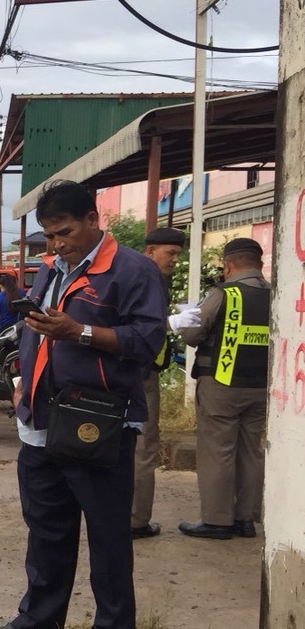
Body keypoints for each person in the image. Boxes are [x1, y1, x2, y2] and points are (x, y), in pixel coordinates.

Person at [0, 181, 165, 629]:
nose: (57, 244)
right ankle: (39, 621)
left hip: (96, 423)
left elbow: (147, 341)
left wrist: (78, 331)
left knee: (106, 535)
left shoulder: (131, 271)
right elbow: (38, 332)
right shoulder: (49, 271)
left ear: (93, 219)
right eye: (49, 236)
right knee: (46, 530)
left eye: (64, 232)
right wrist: (19, 384)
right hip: (40, 424)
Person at [176, 236, 270, 539]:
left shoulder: (224, 293)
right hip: (261, 387)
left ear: (228, 266)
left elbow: (192, 335)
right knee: (251, 451)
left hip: (222, 382)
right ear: (261, 264)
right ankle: (245, 519)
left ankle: (217, 521)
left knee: (218, 451)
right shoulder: (276, 293)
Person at [130, 226, 186, 539]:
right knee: (143, 448)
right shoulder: (149, 277)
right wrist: (169, 323)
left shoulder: (128, 272)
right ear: (151, 251)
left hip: (128, 371)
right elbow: (142, 325)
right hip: (141, 375)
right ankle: (136, 521)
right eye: (171, 253)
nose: (176, 260)